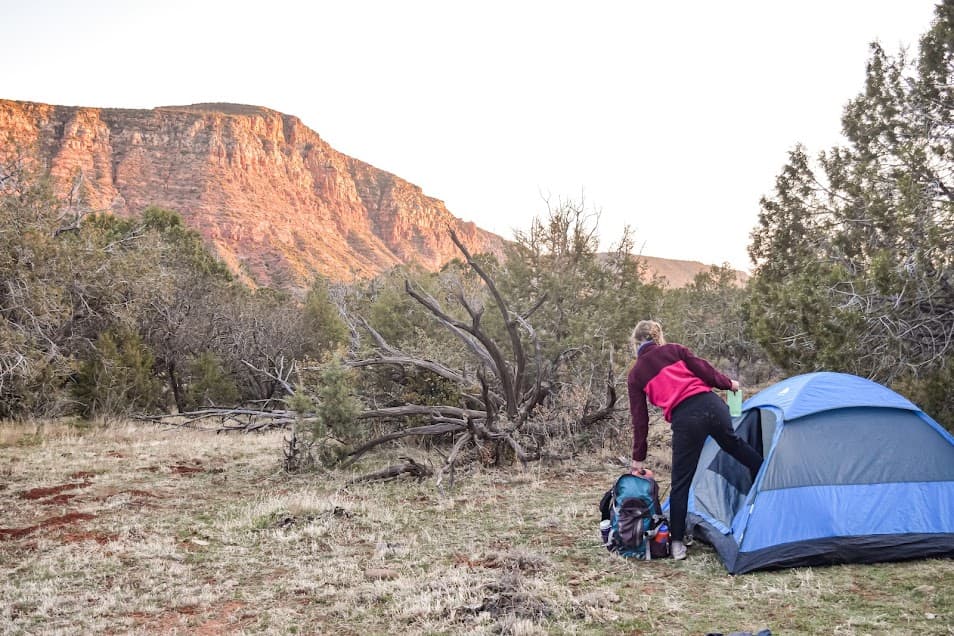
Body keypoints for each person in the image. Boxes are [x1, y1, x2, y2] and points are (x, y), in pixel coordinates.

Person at [626, 320, 762, 560]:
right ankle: (767, 477)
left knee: (681, 481)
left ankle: (677, 543)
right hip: (713, 406)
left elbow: (640, 420)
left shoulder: (636, 374)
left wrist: (638, 457)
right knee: (735, 446)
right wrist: (729, 384)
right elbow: (705, 371)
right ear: (657, 337)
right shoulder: (675, 350)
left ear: (636, 343)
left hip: (687, 418)